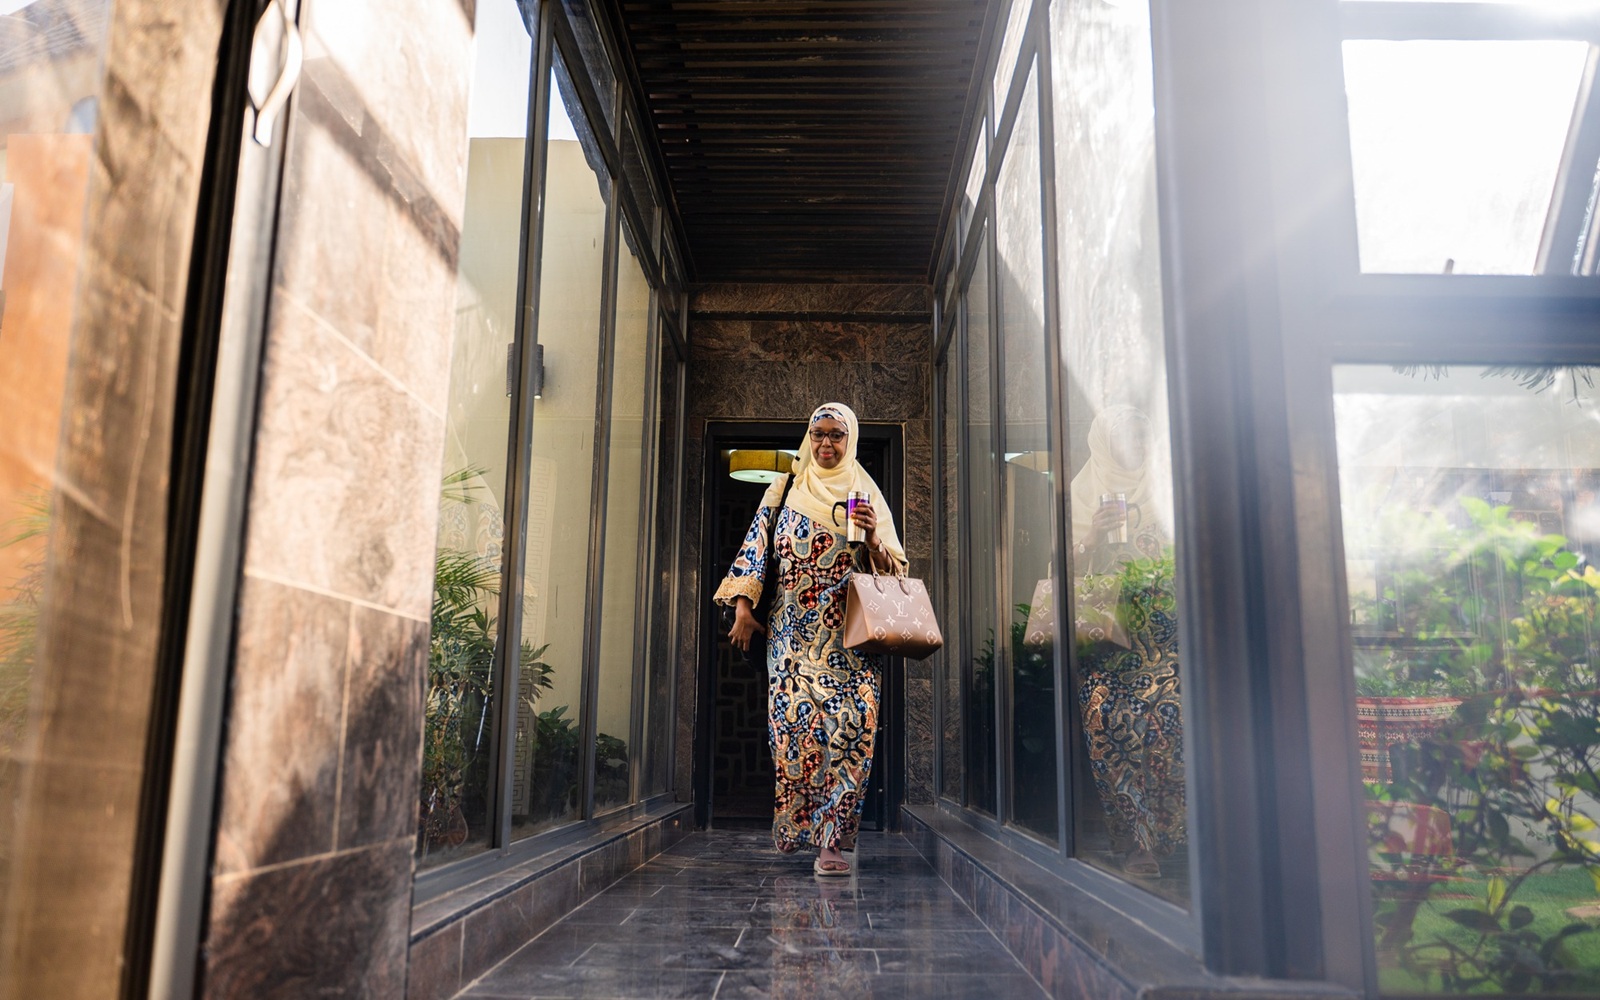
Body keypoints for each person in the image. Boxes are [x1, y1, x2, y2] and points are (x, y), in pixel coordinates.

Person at [714, 402, 906, 877]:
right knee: (795, 737)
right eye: (818, 433)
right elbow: (756, 548)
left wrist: (871, 539)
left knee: (852, 734)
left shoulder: (866, 494)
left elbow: (897, 571)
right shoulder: (785, 487)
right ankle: (800, 828)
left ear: (850, 439)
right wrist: (743, 607)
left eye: (836, 435)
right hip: (791, 639)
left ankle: (831, 843)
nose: (826, 444)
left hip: (852, 641)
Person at [1070, 404, 1185, 879]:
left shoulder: (1169, 487)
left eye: (1141, 435)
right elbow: (1060, 575)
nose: (1134, 445)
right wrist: (1093, 539)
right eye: (1125, 437)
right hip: (1112, 648)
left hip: (1171, 645)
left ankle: (1178, 835)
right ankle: (1136, 841)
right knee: (1106, 712)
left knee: (1175, 712)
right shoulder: (1082, 491)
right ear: (1105, 442)